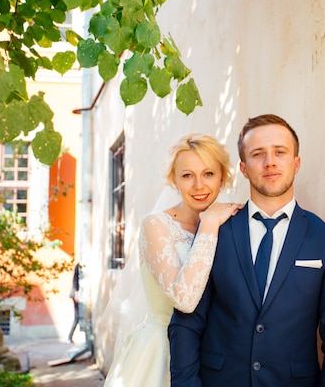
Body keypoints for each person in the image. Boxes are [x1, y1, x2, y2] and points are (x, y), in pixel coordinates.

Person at [169, 114, 325, 387]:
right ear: (244, 168)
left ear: (296, 163)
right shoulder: (215, 230)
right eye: (258, 154)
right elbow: (187, 323)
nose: (269, 161)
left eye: (279, 152)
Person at [103, 133, 242, 387]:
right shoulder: (156, 225)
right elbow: (184, 300)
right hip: (159, 351)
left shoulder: (233, 223)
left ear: (222, 177)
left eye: (208, 174)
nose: (199, 185)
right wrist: (209, 223)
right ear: (175, 181)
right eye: (187, 175)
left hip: (215, 354)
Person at [67, 263, 80, 344]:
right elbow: (75, 280)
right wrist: (76, 293)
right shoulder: (79, 266)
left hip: (76, 294)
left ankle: (70, 337)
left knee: (77, 317)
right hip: (76, 294)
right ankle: (69, 337)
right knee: (77, 317)